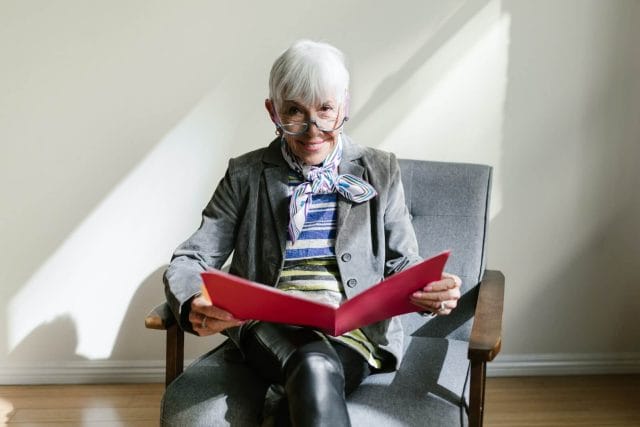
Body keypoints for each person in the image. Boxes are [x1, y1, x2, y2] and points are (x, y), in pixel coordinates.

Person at [164, 39, 461, 427]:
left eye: (325, 109)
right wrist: (192, 302)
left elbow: (404, 261)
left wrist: (431, 287)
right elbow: (191, 258)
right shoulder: (246, 175)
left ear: (344, 107)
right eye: (293, 112)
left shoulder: (380, 170)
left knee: (310, 369)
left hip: (354, 334)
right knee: (314, 364)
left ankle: (282, 405)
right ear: (272, 111)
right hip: (267, 329)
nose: (312, 129)